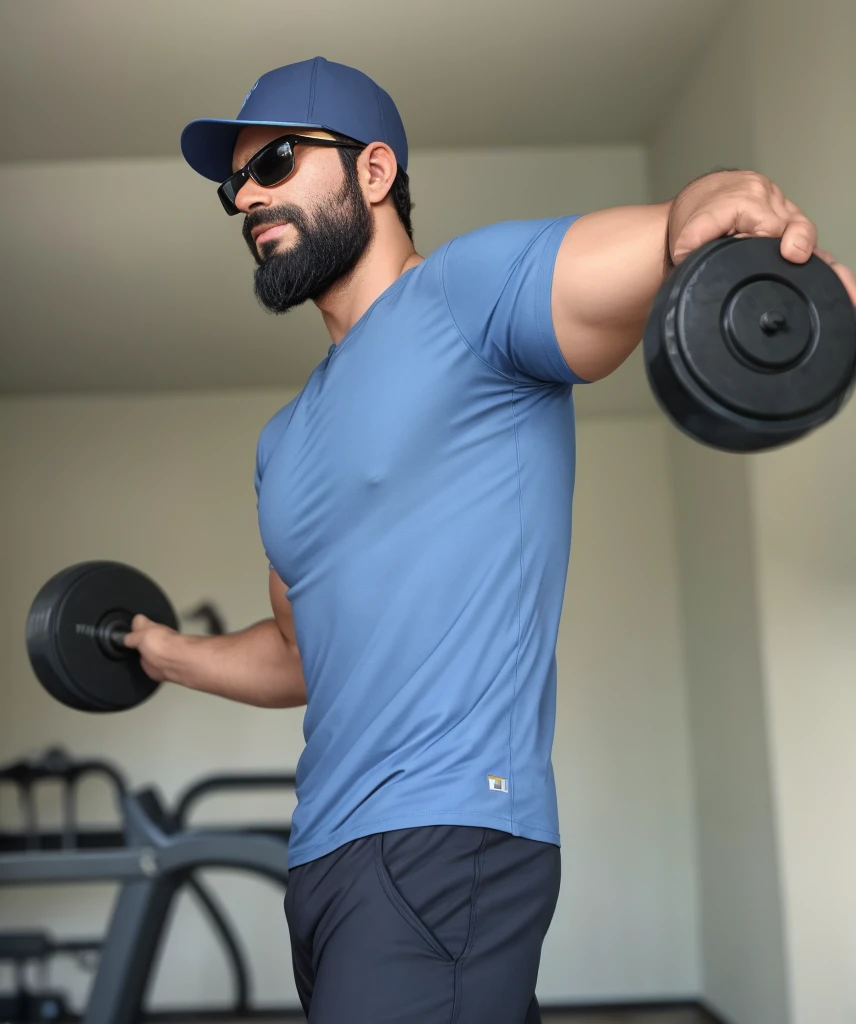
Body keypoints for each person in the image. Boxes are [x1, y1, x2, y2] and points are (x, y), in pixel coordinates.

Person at [124, 57, 856, 1024]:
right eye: (236, 184)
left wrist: (729, 207)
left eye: (279, 162)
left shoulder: (468, 300)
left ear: (374, 172)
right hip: (326, 862)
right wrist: (161, 653)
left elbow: (678, 231)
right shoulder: (283, 442)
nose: (246, 199)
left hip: (445, 833)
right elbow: (304, 654)